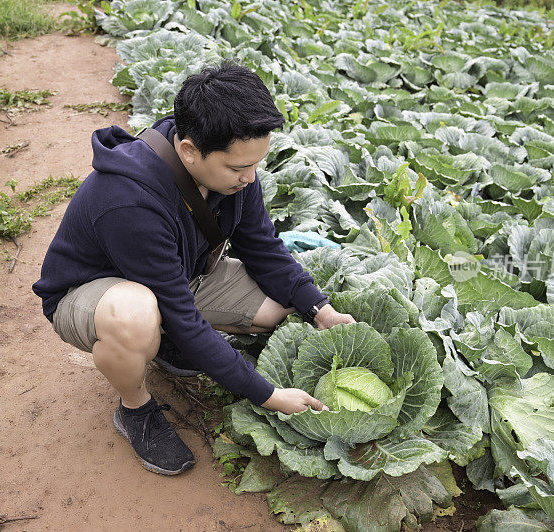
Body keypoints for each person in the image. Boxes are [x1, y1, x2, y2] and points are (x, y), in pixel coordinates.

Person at [32, 62, 355, 476]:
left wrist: (320, 309)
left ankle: (163, 345)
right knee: (136, 315)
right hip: (92, 296)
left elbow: (263, 248)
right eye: (238, 168)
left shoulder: (230, 160)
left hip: (174, 278)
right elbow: (182, 315)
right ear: (188, 151)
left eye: (256, 164)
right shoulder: (130, 201)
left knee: (276, 307)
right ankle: (136, 409)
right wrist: (270, 395)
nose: (250, 176)